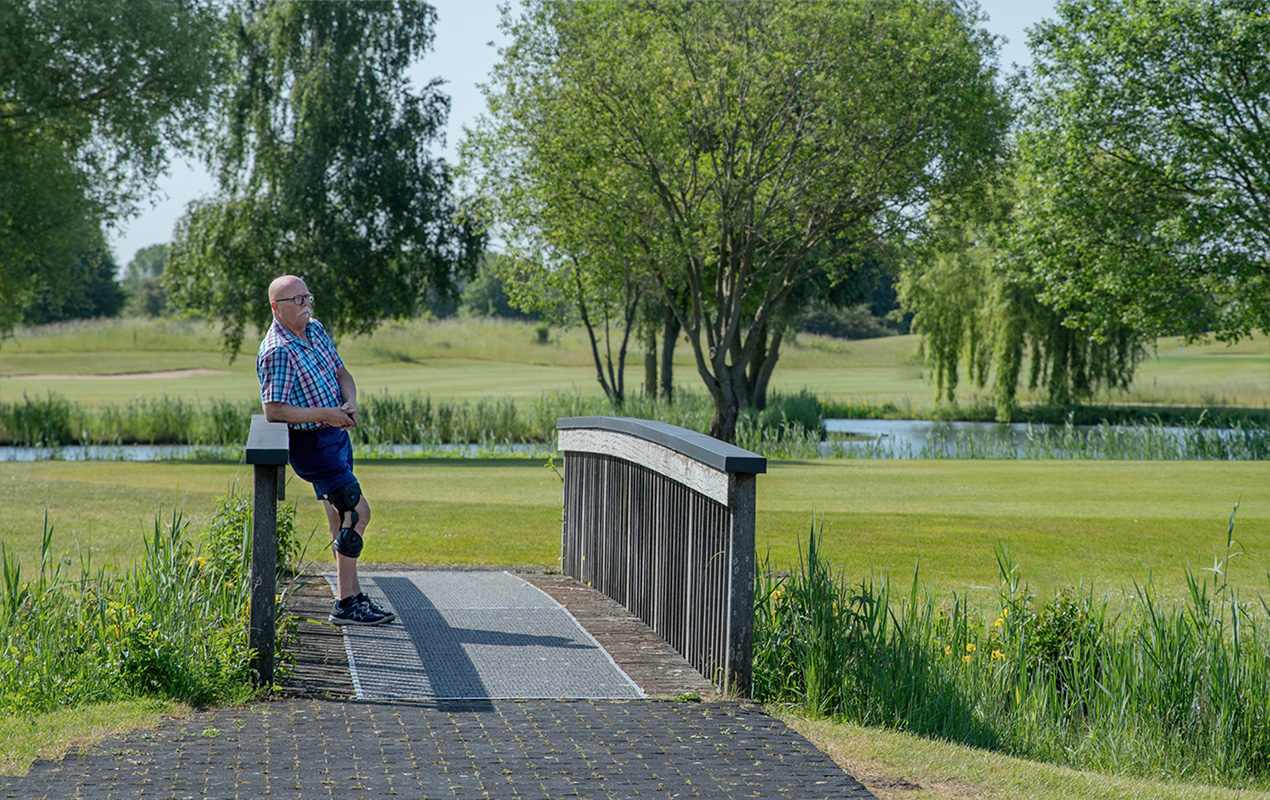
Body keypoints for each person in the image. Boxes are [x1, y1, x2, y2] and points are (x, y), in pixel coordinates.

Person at [256, 275, 395, 626]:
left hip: (336, 435)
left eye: (307, 297)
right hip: (313, 444)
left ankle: (351, 595)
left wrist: (349, 404)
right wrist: (326, 414)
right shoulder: (277, 350)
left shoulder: (315, 330)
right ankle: (346, 604)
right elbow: (274, 410)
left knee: (340, 518)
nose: (306, 305)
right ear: (277, 308)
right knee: (356, 513)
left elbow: (341, 372)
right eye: (296, 300)